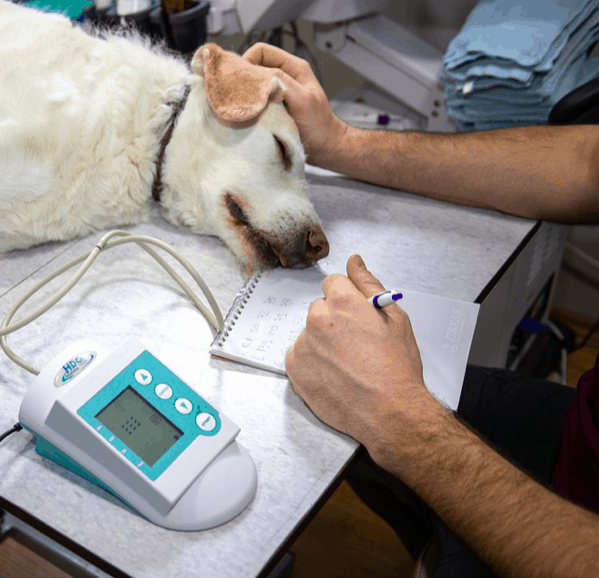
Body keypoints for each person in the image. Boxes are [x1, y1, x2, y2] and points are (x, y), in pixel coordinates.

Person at [242, 42, 599, 578]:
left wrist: (398, 415)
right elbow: (585, 163)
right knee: (341, 430)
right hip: (586, 441)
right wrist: (340, 143)